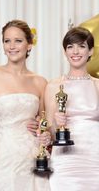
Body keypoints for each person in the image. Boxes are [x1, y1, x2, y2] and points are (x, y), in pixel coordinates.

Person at [0, 19, 51, 191]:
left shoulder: (40, 82)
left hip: (32, 155)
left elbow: (44, 123)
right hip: (4, 155)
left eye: (18, 40)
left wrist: (45, 132)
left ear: (29, 44)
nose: (11, 46)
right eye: (7, 41)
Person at [45, 26, 99, 190]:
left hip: (95, 159)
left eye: (81, 46)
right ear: (65, 51)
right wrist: (55, 122)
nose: (75, 51)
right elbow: (50, 132)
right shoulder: (53, 86)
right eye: (70, 46)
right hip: (65, 161)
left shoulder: (98, 86)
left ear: (90, 51)